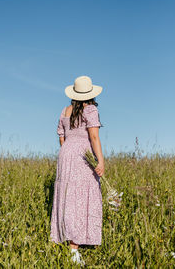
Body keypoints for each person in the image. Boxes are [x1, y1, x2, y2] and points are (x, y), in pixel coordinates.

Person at [50, 75, 104, 265]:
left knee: (67, 196)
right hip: (82, 154)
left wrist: (68, 151)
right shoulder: (91, 109)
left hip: (65, 154)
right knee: (82, 196)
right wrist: (101, 161)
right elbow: (94, 138)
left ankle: (66, 236)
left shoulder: (65, 110)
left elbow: (61, 137)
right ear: (90, 94)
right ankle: (75, 247)